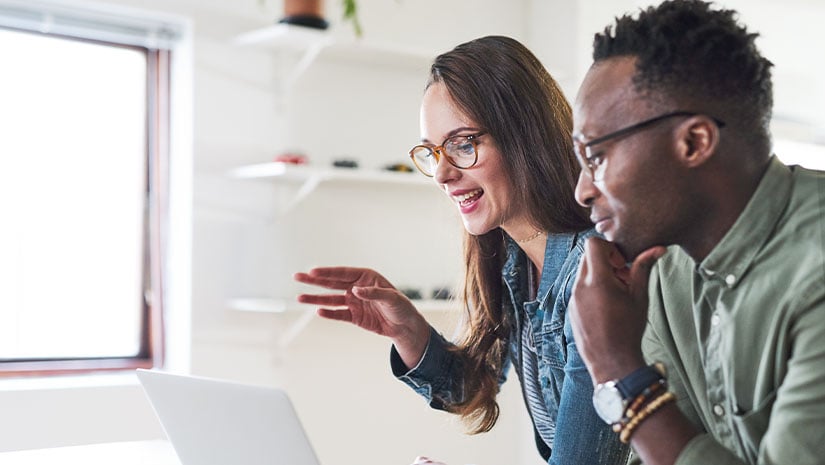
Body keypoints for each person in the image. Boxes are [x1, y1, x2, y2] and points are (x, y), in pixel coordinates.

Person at [295, 36, 629, 465]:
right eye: (434, 152)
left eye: (463, 144)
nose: (442, 174)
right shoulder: (512, 259)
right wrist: (409, 332)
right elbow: (470, 390)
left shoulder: (594, 270)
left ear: (524, 136)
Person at [567, 1, 825, 465]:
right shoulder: (664, 269)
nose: (582, 190)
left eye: (597, 156)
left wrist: (618, 370)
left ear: (694, 142)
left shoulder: (816, 272)